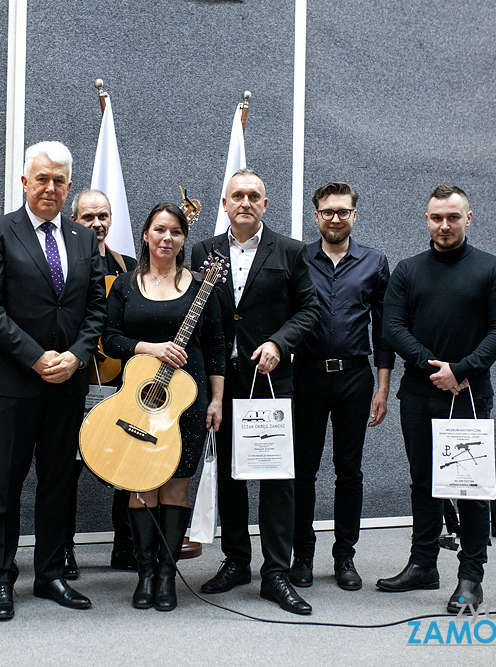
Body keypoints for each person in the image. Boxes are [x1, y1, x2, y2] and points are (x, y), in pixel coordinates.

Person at [0, 141, 106, 621]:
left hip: (68, 384)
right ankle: (1, 579)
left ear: (69, 187)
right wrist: (35, 357)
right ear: (24, 181)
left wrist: (75, 356)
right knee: (5, 486)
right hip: (15, 383)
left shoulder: (84, 239)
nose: (50, 187)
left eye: (59, 180)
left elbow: (96, 310)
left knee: (58, 484)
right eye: (42, 179)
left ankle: (49, 573)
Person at [378, 184, 496, 613]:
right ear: (426, 219)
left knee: (470, 489)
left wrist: (462, 370)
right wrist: (434, 368)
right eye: (436, 217)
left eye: (453, 217)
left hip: (471, 396)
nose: (444, 225)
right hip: (419, 394)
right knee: (424, 483)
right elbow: (393, 327)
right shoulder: (407, 270)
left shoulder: (494, 270)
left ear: (468, 219)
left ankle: (471, 577)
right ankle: (423, 564)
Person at [191, 168, 321, 615]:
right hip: (221, 382)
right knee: (230, 474)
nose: (245, 202)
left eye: (254, 196)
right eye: (237, 195)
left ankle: (276, 573)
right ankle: (236, 561)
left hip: (271, 380)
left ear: (265, 204)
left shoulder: (290, 251)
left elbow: (310, 310)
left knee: (276, 477)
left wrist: (279, 343)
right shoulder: (204, 251)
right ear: (225, 204)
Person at [103, 202, 226, 612]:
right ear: (145, 234)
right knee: (141, 483)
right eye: (159, 229)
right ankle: (144, 572)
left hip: (186, 401)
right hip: (137, 399)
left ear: (183, 239)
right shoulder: (125, 284)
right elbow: (109, 340)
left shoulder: (200, 286)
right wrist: (151, 348)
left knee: (175, 483)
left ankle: (167, 574)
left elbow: (215, 347)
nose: (166, 238)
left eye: (175, 231)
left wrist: (218, 399)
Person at [290, 182, 394, 591]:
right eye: (327, 212)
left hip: (355, 377)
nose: (335, 218)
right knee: (303, 472)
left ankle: (345, 556)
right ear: (316, 216)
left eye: (343, 211)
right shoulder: (299, 259)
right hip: (307, 375)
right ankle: (302, 554)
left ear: (355, 215)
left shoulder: (375, 262)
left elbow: (385, 331)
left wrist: (383, 388)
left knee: (349, 473)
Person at [64, 188, 138, 576]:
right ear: (74, 220)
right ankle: (63, 549)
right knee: (67, 469)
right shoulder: (64, 261)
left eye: (103, 216)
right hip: (75, 380)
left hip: (120, 382)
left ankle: (125, 546)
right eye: (88, 217)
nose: (96, 224)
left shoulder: (128, 266)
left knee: (126, 465)